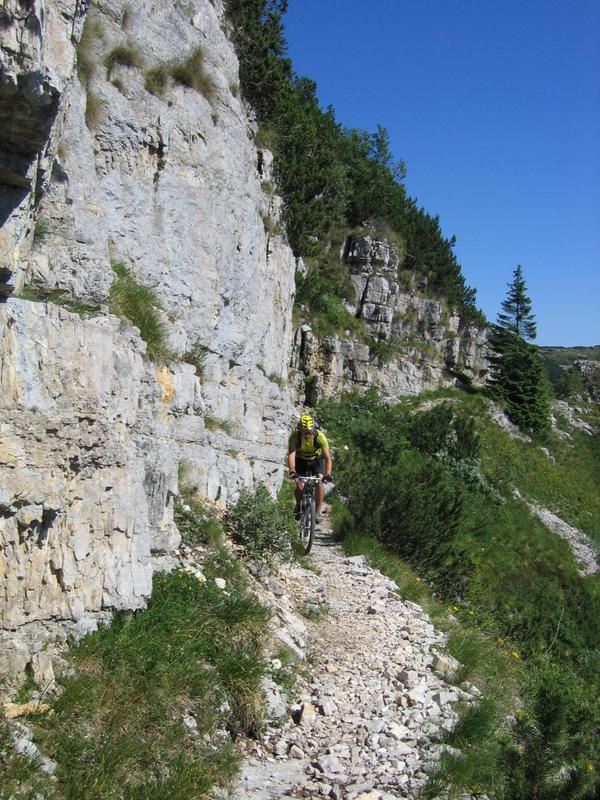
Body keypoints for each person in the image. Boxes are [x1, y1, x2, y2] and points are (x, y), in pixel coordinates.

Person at [287, 413, 332, 522]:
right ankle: (298, 506)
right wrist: (293, 471)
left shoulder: (320, 436)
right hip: (300, 459)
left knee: (319, 482)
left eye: (310, 433)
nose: (308, 435)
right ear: (300, 430)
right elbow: (291, 454)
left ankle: (317, 512)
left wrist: (327, 474)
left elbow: (327, 457)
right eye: (305, 433)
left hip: (316, 459)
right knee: (299, 486)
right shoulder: (294, 436)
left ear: (313, 430)